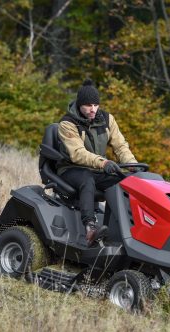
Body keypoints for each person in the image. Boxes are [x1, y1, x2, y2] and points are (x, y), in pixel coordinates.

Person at [57, 78, 137, 246]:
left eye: (96, 105)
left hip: (97, 168)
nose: (93, 109)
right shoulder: (67, 124)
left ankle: (124, 229)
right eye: (88, 106)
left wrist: (132, 165)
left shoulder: (108, 120)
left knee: (126, 182)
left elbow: (120, 146)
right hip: (71, 169)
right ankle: (90, 227)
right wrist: (103, 163)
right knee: (87, 179)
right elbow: (77, 154)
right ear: (80, 105)